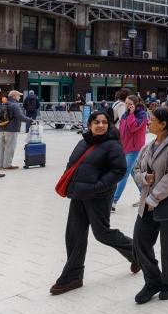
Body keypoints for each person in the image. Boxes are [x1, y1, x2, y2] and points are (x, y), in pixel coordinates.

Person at [50, 111, 139, 295]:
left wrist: (97, 187)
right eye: (96, 122)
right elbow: (72, 163)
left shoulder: (112, 145)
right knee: (74, 235)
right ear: (90, 124)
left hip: (98, 196)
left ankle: (138, 254)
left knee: (102, 233)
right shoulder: (83, 142)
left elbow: (119, 170)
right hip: (78, 194)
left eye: (104, 122)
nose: (100, 125)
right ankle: (73, 276)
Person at [131, 107, 168, 304]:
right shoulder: (148, 146)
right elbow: (137, 168)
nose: (148, 122)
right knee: (140, 241)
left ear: (163, 124)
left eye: (152, 120)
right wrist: (143, 177)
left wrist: (154, 198)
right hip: (147, 200)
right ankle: (153, 281)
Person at [112, 95, 148, 212]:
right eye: (126, 103)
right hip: (125, 148)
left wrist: (132, 114)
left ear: (135, 104)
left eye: (129, 104)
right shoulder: (124, 115)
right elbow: (122, 131)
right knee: (133, 172)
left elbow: (133, 128)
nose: (127, 106)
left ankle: (113, 201)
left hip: (135, 148)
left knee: (124, 173)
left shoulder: (142, 115)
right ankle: (145, 196)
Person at [0, 90, 34, 171]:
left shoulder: (4, 103)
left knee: (2, 148)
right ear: (14, 96)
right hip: (11, 129)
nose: (20, 97)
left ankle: (1, 165)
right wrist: (30, 120)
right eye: (19, 96)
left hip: (2, 128)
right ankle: (7, 165)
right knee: (10, 147)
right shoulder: (15, 105)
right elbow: (20, 116)